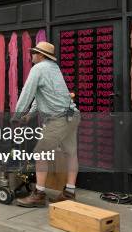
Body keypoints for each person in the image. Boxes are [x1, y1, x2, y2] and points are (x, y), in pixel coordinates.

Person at [13, 42, 81, 207]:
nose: (32, 55)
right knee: (71, 153)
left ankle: (39, 194)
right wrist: (29, 115)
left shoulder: (38, 69)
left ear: (41, 55)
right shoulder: (54, 69)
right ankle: (69, 192)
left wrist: (16, 116)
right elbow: (41, 96)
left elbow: (27, 92)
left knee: (40, 154)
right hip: (72, 116)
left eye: (34, 52)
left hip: (58, 119)